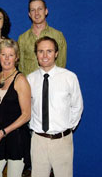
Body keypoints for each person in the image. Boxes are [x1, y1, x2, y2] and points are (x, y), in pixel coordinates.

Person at [27, 36, 83, 177]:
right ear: (36, 54)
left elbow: (77, 106)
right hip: (38, 140)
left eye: (49, 51)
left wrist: (66, 128)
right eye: (41, 51)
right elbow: (27, 108)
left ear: (56, 53)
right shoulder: (30, 79)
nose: (45, 55)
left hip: (62, 141)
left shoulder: (69, 77)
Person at [0, 39, 31, 177]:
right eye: (3, 54)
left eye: (11, 55)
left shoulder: (21, 80)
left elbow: (26, 115)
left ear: (16, 57)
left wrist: (4, 132)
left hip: (16, 138)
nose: (7, 59)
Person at [18, 0, 67, 76]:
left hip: (53, 84)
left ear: (46, 11)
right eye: (33, 10)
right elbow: (21, 67)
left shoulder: (58, 36)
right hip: (30, 86)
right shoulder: (22, 38)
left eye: (40, 9)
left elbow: (61, 64)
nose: (36, 13)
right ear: (29, 14)